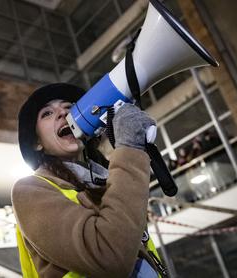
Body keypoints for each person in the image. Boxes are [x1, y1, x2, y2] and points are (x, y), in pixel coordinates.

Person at [12, 84, 165, 277]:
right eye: (47, 113)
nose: (63, 113)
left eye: (69, 107)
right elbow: (109, 256)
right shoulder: (29, 190)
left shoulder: (110, 178)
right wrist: (129, 149)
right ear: (37, 142)